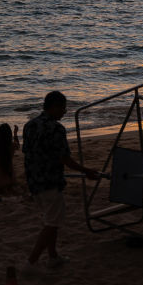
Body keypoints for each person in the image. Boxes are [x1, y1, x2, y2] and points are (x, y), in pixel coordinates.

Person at [22, 91, 98, 269]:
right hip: (49, 180)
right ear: (54, 107)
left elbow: (27, 153)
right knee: (52, 222)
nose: (65, 112)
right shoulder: (56, 129)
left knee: (51, 219)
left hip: (33, 179)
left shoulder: (29, 125)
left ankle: (53, 256)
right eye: (63, 108)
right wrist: (86, 171)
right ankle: (31, 261)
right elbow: (65, 159)